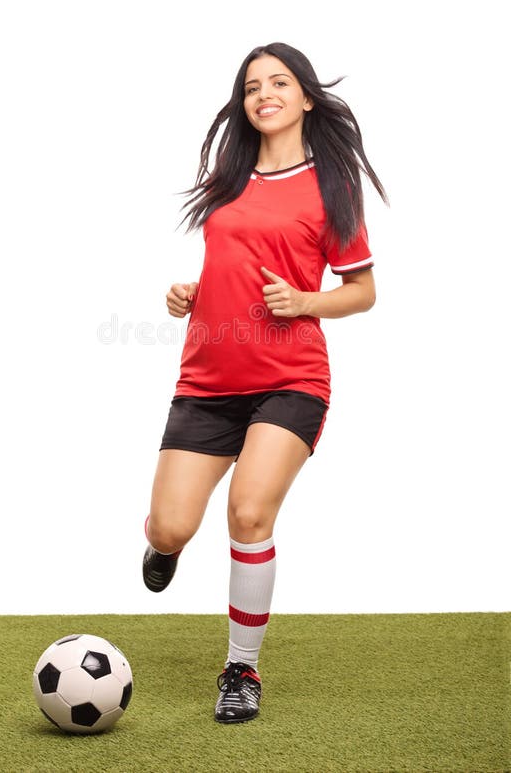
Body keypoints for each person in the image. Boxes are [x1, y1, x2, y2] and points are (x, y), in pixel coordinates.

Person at [142, 42, 388, 724]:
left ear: (306, 97)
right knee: (169, 527)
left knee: (249, 512)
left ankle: (241, 669)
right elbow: (231, 259)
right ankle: (162, 547)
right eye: (252, 86)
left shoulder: (332, 187)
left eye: (279, 82)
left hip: (291, 379)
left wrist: (308, 302)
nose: (264, 94)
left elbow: (363, 290)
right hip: (208, 379)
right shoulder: (231, 178)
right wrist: (193, 292)